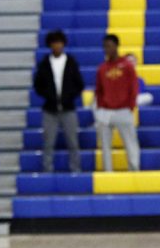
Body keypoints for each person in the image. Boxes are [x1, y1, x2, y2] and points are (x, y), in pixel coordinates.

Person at [32, 29, 84, 172]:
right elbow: (38, 85)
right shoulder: (44, 63)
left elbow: (79, 84)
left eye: (59, 42)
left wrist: (68, 96)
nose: (57, 46)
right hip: (50, 110)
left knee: (73, 142)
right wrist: (49, 96)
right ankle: (47, 169)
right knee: (48, 142)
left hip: (69, 108)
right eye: (54, 43)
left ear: (63, 44)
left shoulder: (71, 62)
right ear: (50, 45)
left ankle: (75, 169)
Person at [94, 34, 140, 172]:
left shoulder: (127, 66)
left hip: (123, 110)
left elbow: (134, 87)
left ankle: (134, 171)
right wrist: (100, 108)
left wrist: (130, 106)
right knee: (105, 146)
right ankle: (108, 173)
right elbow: (99, 90)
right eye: (105, 47)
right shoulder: (102, 68)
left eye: (109, 46)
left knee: (130, 143)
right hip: (105, 111)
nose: (106, 49)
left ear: (116, 46)